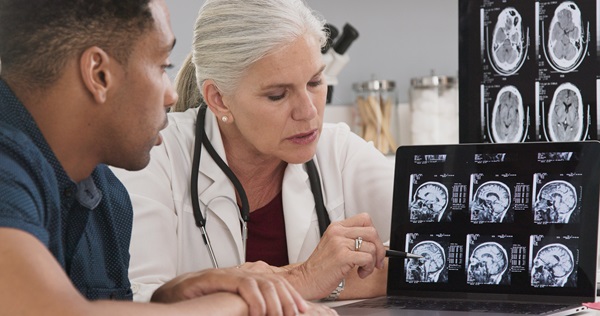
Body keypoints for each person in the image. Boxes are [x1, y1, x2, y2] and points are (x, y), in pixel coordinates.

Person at [0, 0, 333, 315]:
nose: (173, 94)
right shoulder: (6, 171)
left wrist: (167, 299)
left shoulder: (104, 196)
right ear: (99, 74)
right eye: (162, 67)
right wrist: (247, 305)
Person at [112, 0, 394, 303]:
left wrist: (330, 282)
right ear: (219, 99)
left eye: (315, 81)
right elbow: (137, 301)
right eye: (277, 95)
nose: (308, 111)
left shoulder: (337, 150)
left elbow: (442, 253)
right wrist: (304, 278)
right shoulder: (156, 154)